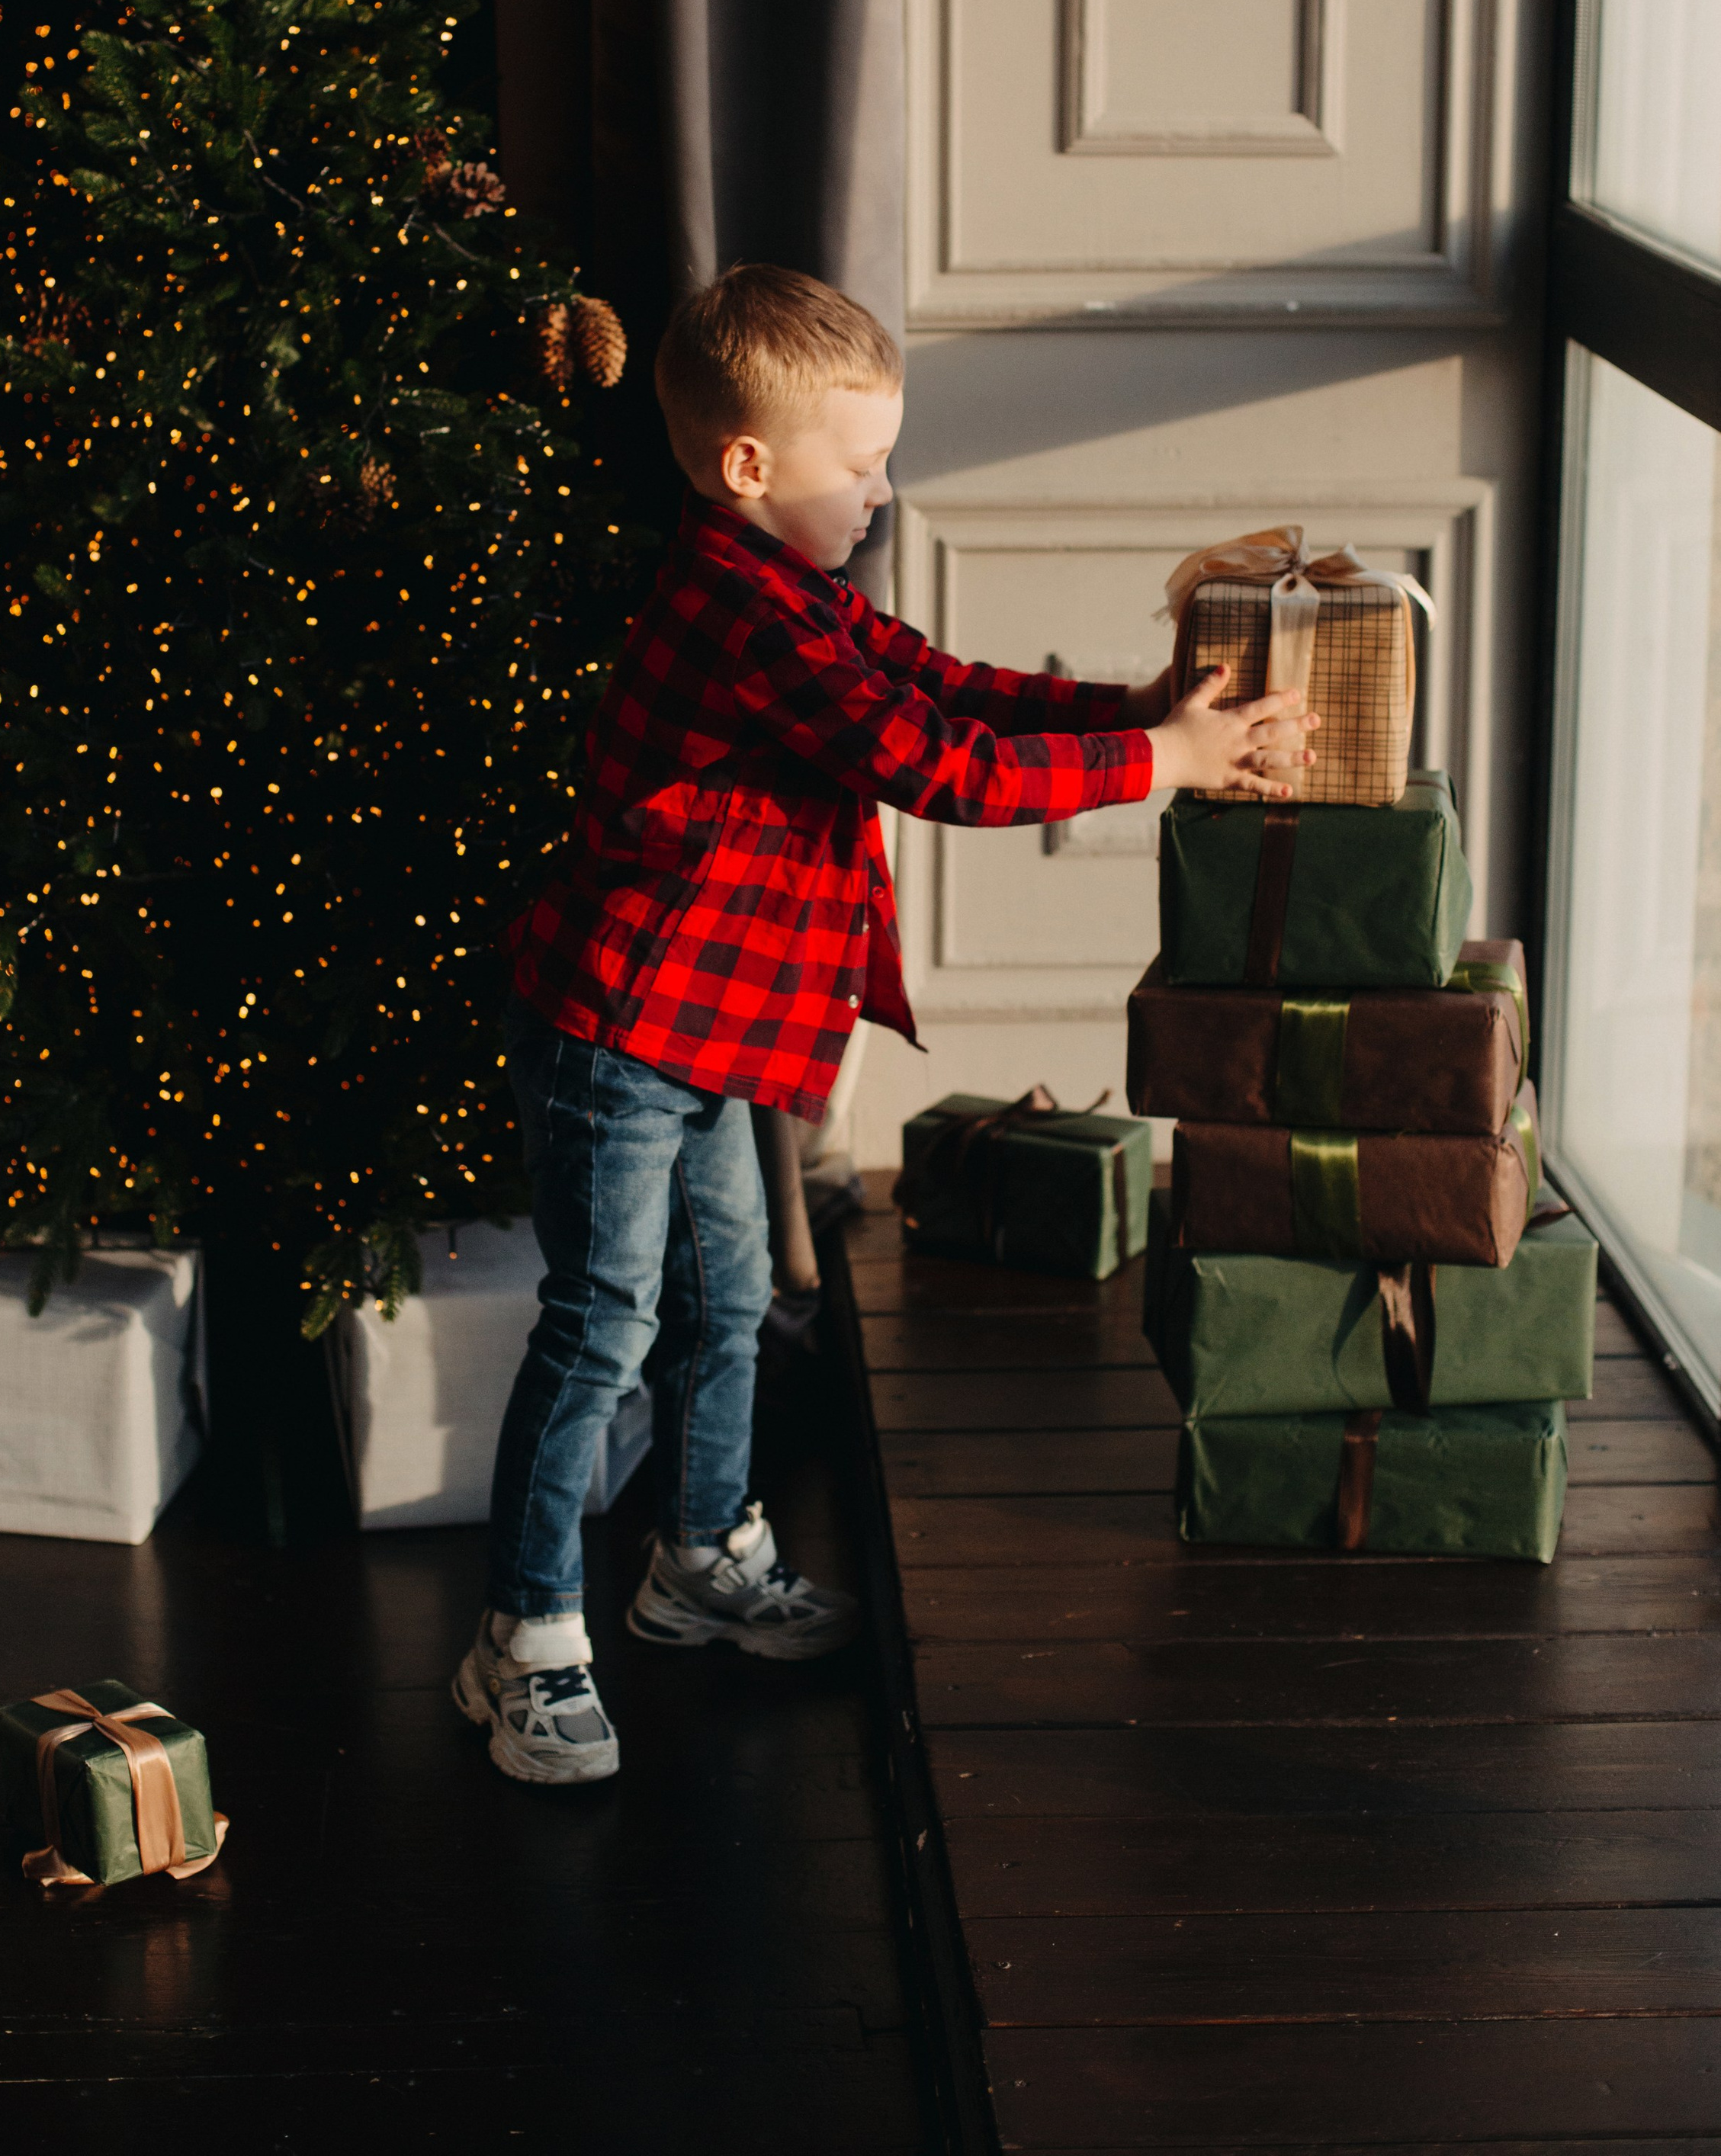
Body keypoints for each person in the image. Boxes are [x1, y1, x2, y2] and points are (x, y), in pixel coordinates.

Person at [454, 265, 1316, 1783]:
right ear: (748, 469)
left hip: (713, 1035)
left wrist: (1132, 710)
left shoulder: (797, 599)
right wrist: (1157, 761)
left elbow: (947, 690)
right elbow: (939, 768)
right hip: (619, 1032)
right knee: (601, 1330)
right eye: (859, 465)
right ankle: (521, 1640)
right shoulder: (744, 622)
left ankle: (698, 1556)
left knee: (726, 1309)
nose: (881, 487)